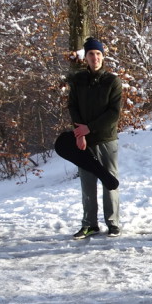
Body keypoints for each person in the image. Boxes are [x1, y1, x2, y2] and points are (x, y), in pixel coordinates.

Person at [67, 37, 123, 239]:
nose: (95, 58)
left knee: (109, 180)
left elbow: (113, 113)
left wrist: (88, 129)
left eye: (98, 54)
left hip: (106, 139)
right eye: (91, 54)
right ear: (86, 57)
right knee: (87, 183)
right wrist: (80, 133)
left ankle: (113, 223)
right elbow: (72, 107)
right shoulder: (78, 80)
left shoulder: (112, 81)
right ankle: (89, 224)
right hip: (83, 140)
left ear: (103, 56)